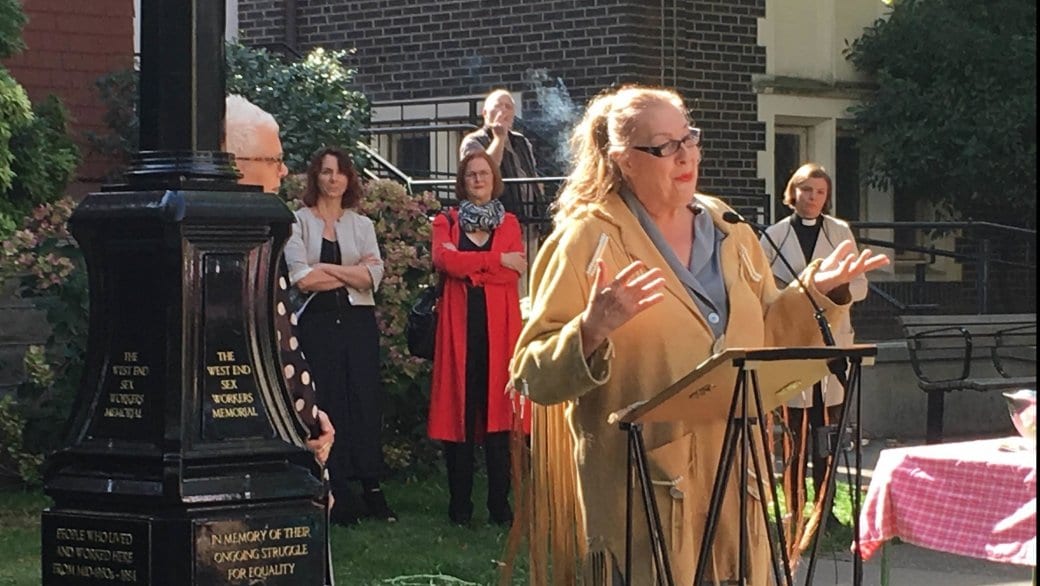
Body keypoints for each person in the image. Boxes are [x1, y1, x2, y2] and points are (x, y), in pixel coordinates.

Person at [509, 85, 889, 585]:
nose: (686, 155)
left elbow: (766, 334)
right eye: (665, 146)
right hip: (642, 500)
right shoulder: (587, 239)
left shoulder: (730, 229)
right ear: (624, 160)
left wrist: (815, 294)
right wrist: (590, 329)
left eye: (689, 138)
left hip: (736, 486)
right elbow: (530, 372)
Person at [283, 146, 397, 526]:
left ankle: (372, 488)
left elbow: (373, 277)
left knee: (363, 401)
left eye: (340, 172)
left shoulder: (361, 225)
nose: (333, 178)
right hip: (315, 323)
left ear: (349, 179)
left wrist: (326, 268)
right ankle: (336, 490)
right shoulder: (297, 222)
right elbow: (302, 277)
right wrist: (351, 269)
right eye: (326, 171)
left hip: (356, 322)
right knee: (328, 399)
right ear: (316, 176)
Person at [223, 94, 333, 463]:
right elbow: (270, 348)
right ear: (235, 165)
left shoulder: (255, 235)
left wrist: (310, 417)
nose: (283, 172)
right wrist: (302, 427)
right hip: (261, 451)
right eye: (274, 161)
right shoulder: (240, 244)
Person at [761, 163, 870, 525]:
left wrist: (830, 290)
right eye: (806, 190)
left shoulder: (840, 231)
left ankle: (825, 511)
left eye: (820, 192)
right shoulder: (774, 235)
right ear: (792, 192)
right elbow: (762, 290)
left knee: (828, 428)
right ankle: (794, 507)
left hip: (830, 342)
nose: (812, 198)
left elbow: (859, 286)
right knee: (796, 432)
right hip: (793, 342)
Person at [428, 151, 527, 526]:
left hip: (499, 333)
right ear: (462, 181)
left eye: (484, 173)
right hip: (459, 332)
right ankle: (459, 507)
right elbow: (444, 262)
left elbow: (512, 275)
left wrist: (471, 267)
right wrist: (496, 261)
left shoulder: (511, 223)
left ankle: (499, 507)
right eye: (471, 175)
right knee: (460, 419)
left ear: (494, 178)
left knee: (499, 421)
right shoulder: (446, 221)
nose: (478, 180)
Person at [459, 89, 540, 217]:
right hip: (497, 217)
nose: (503, 111)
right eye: (498, 105)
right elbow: (485, 171)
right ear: (485, 113)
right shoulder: (473, 141)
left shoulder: (521, 141)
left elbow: (533, 174)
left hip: (529, 221)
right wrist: (499, 138)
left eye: (508, 107)